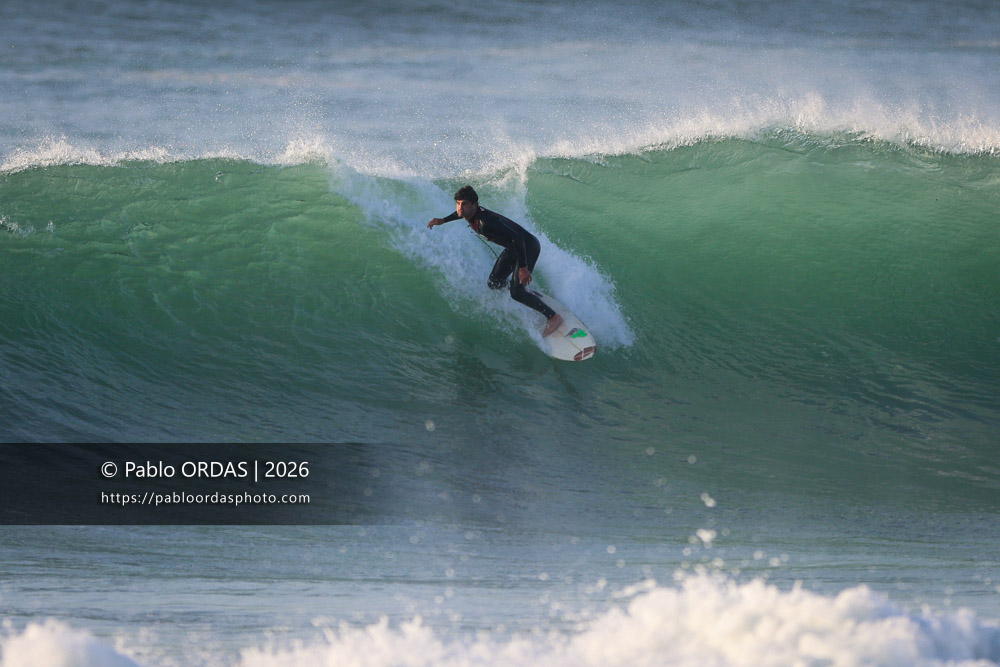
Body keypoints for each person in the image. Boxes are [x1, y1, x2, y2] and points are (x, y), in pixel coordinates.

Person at [428, 185, 564, 337]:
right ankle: (523, 291)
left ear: (474, 205)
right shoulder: (471, 213)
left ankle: (553, 317)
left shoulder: (485, 223)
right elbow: (461, 213)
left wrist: (523, 267)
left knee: (516, 293)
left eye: (464, 204)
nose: (460, 207)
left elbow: (518, 238)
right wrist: (443, 220)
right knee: (494, 282)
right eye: (458, 203)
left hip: (527, 247)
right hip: (513, 248)